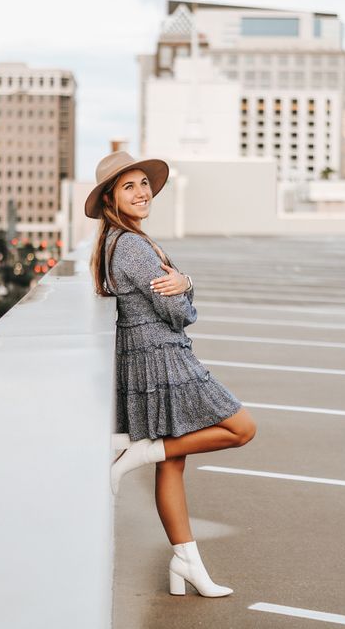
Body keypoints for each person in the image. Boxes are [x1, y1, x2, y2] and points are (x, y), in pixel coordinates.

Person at [85, 150, 257, 598]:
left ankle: (186, 563)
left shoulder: (114, 242)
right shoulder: (134, 246)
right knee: (241, 428)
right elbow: (179, 313)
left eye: (144, 183)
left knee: (173, 462)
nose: (141, 192)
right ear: (110, 198)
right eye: (129, 186)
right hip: (163, 357)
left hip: (145, 358)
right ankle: (140, 454)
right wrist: (185, 287)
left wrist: (186, 279)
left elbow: (177, 292)